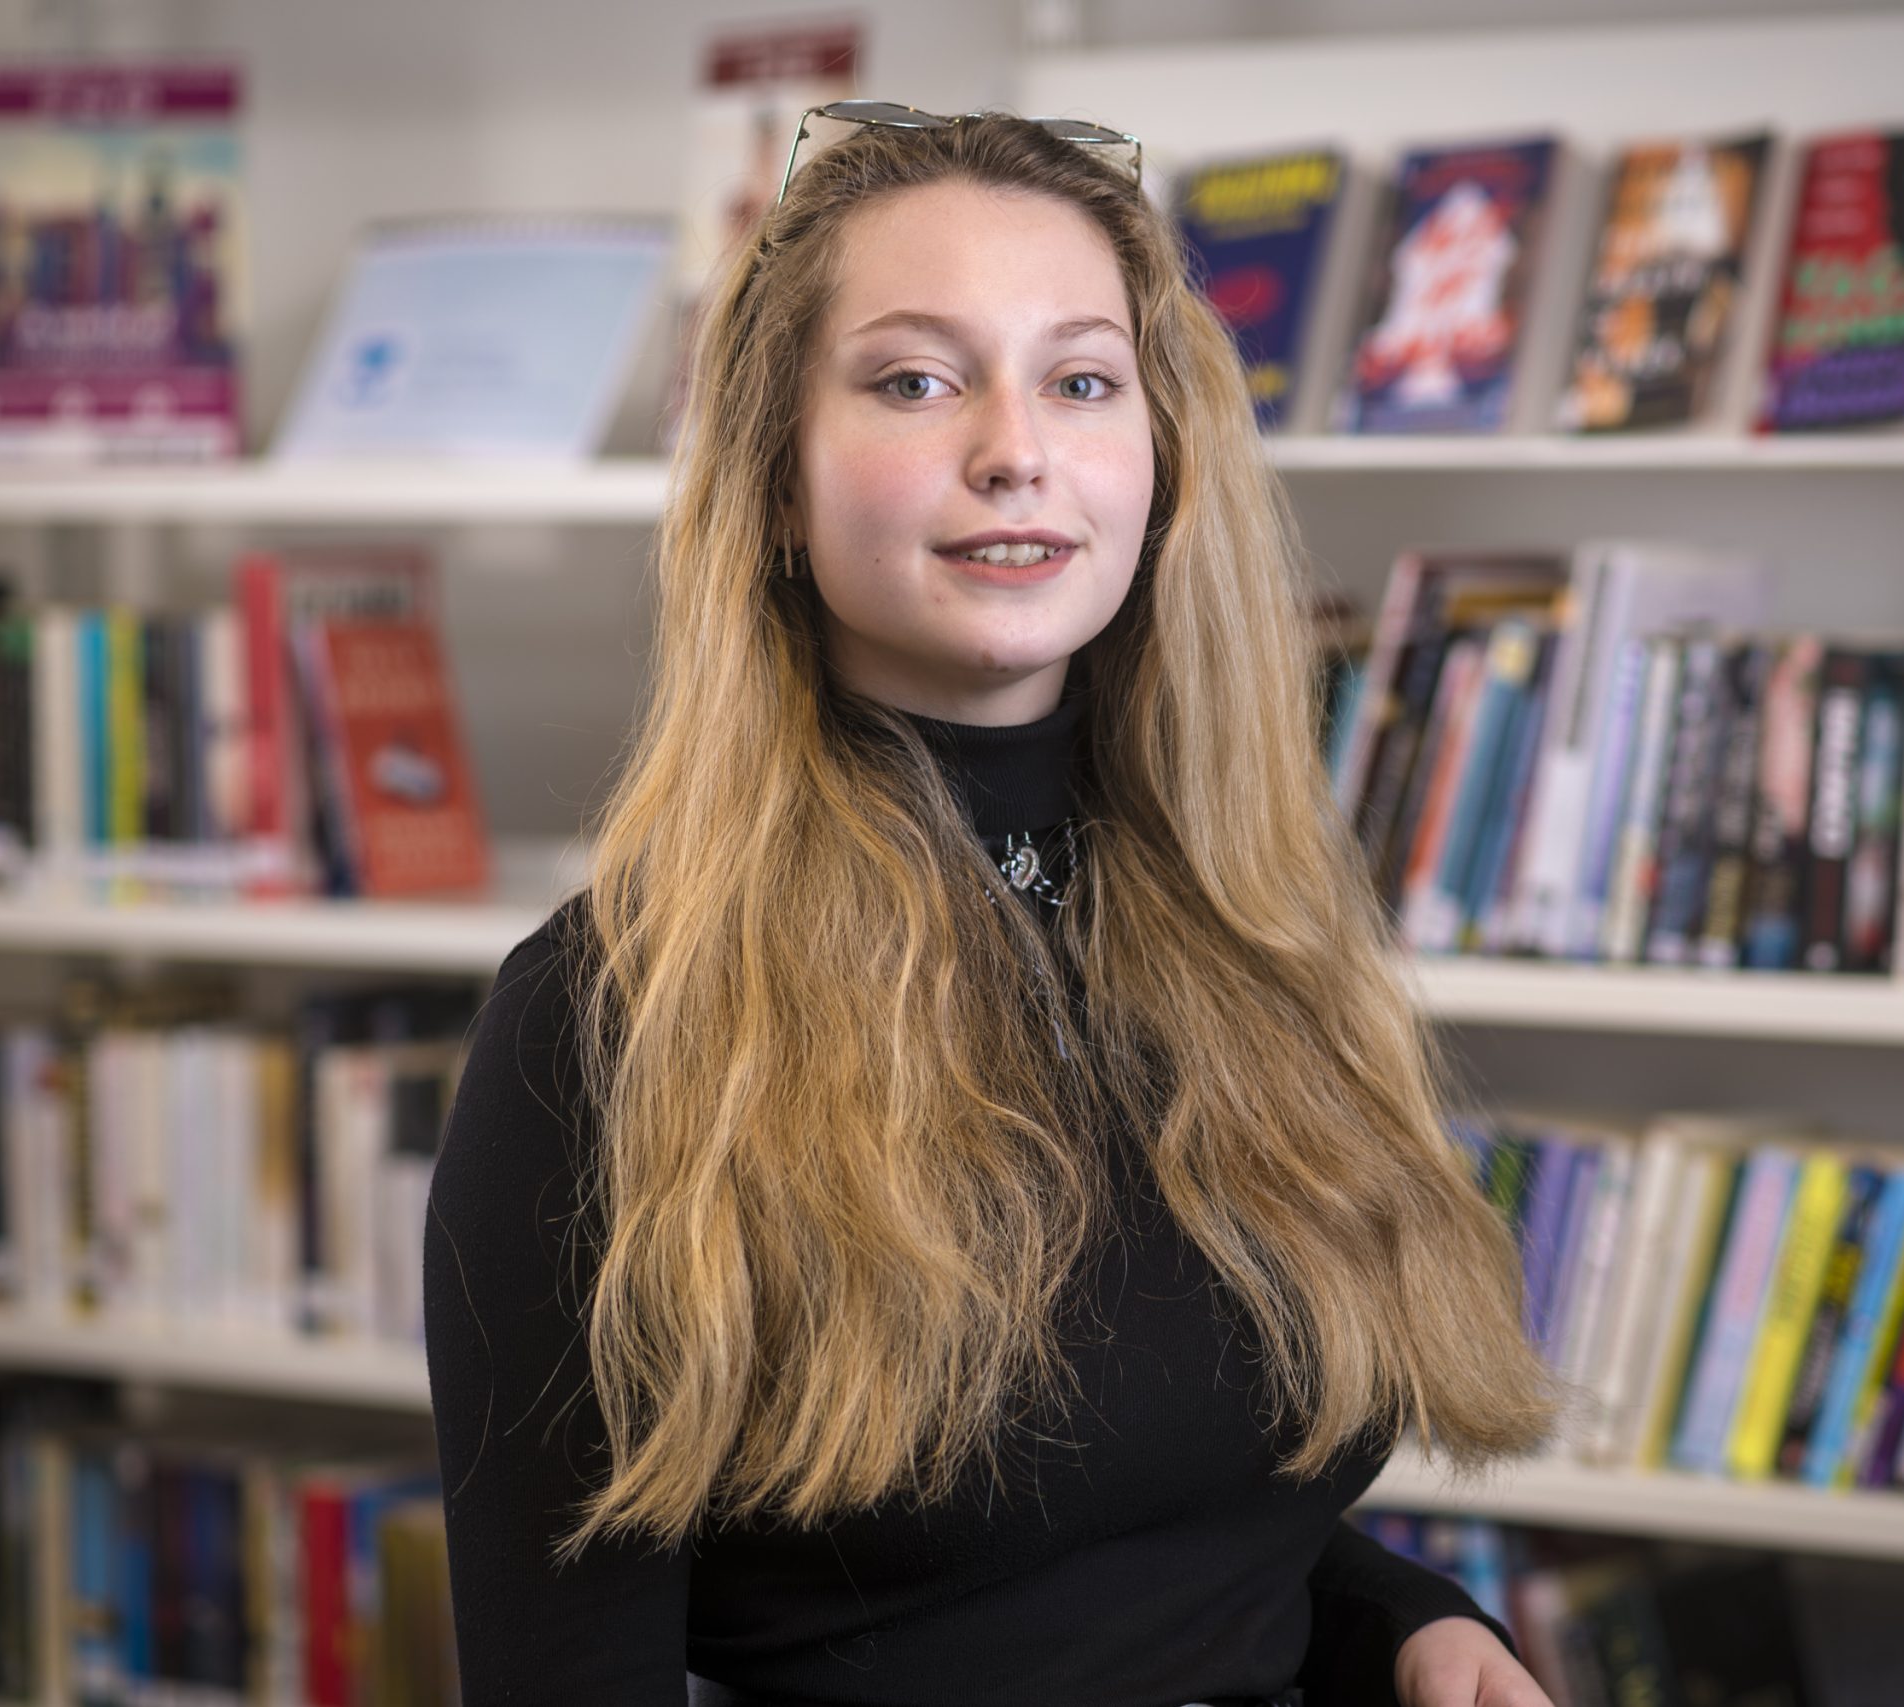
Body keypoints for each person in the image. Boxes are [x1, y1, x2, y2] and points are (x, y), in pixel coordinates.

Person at [422, 106, 1563, 1707]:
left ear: (1161, 466)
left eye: (1082, 379)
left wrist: (1406, 1617)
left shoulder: (1244, 926)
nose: (1014, 446)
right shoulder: (611, 1018)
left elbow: (1150, 1493)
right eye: (915, 379)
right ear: (771, 481)